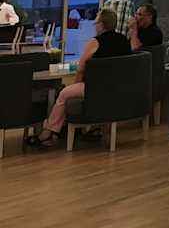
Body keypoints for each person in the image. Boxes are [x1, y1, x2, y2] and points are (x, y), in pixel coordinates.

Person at [28, 8, 130, 145]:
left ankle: (49, 132)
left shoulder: (95, 42)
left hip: (94, 88)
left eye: (96, 23)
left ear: (101, 24)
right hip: (117, 88)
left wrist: (74, 84)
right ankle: (92, 128)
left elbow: (81, 68)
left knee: (63, 94)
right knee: (69, 92)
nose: (95, 25)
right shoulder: (124, 41)